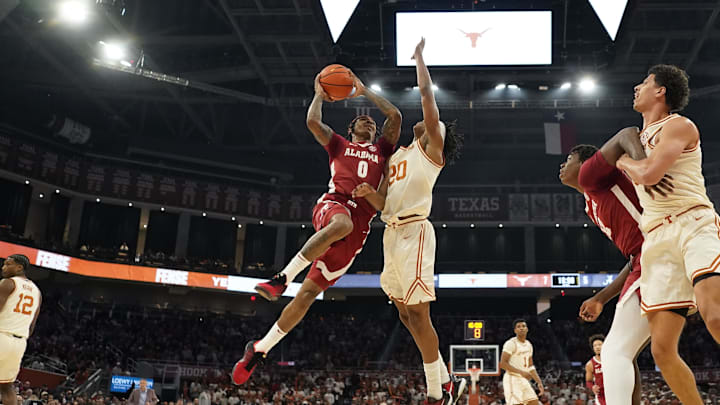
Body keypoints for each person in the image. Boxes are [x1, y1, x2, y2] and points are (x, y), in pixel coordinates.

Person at [231, 69, 402, 385]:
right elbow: (312, 122)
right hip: (334, 205)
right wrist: (320, 94)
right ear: (351, 128)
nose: (371, 123)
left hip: (359, 230)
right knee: (341, 222)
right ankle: (282, 277)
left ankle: (259, 349)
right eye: (364, 121)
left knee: (307, 296)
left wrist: (364, 92)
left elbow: (394, 114)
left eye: (373, 124)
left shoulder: (383, 151)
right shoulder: (337, 144)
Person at [351, 37, 465, 405]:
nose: (429, 124)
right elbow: (384, 200)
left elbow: (428, 101)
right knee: (404, 313)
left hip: (415, 230)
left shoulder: (431, 153)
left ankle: (438, 390)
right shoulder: (396, 157)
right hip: (391, 232)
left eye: (435, 126)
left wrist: (419, 59)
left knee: (418, 312)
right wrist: (369, 192)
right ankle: (448, 380)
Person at [615, 64, 720, 405]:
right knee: (661, 350)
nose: (636, 87)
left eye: (644, 83)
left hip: (692, 224)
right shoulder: (641, 138)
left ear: (660, 91)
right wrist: (632, 164)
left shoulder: (678, 125)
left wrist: (624, 164)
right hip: (657, 238)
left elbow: (648, 172)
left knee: (715, 314)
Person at [560, 126, 672, 405]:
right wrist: (600, 298)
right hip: (651, 257)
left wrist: (645, 166)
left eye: (568, 160)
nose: (562, 165)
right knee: (626, 351)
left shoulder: (590, 174)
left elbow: (626, 133)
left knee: (614, 352)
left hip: (658, 251)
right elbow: (634, 257)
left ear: (584, 163)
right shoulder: (589, 204)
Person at [0, 255, 42, 405]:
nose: (3, 267)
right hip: (19, 343)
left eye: (8, 264)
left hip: (2, 334)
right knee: (6, 386)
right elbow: (32, 326)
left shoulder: (7, 283)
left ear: (19, 267)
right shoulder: (37, 291)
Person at [499, 320, 544, 405]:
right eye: (518, 327)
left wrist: (539, 382)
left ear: (527, 329)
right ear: (515, 330)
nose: (521, 328)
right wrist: (521, 372)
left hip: (523, 380)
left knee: (534, 403)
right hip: (512, 379)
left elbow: (530, 366)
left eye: (523, 326)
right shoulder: (511, 343)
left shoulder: (528, 345)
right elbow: (503, 364)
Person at [585, 335, 605, 405]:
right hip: (601, 396)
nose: (597, 347)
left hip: (614, 393)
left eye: (599, 344)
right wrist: (592, 387)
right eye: (595, 346)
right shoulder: (590, 364)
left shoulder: (612, 360)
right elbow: (588, 381)